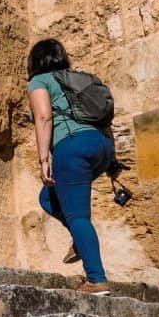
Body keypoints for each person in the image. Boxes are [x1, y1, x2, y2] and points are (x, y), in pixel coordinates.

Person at [28, 39, 116, 295]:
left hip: (72, 148)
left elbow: (44, 117)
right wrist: (112, 158)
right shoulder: (80, 79)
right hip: (101, 146)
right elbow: (102, 117)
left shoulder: (39, 82)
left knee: (79, 216)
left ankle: (96, 279)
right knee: (48, 197)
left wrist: (44, 159)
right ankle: (80, 241)